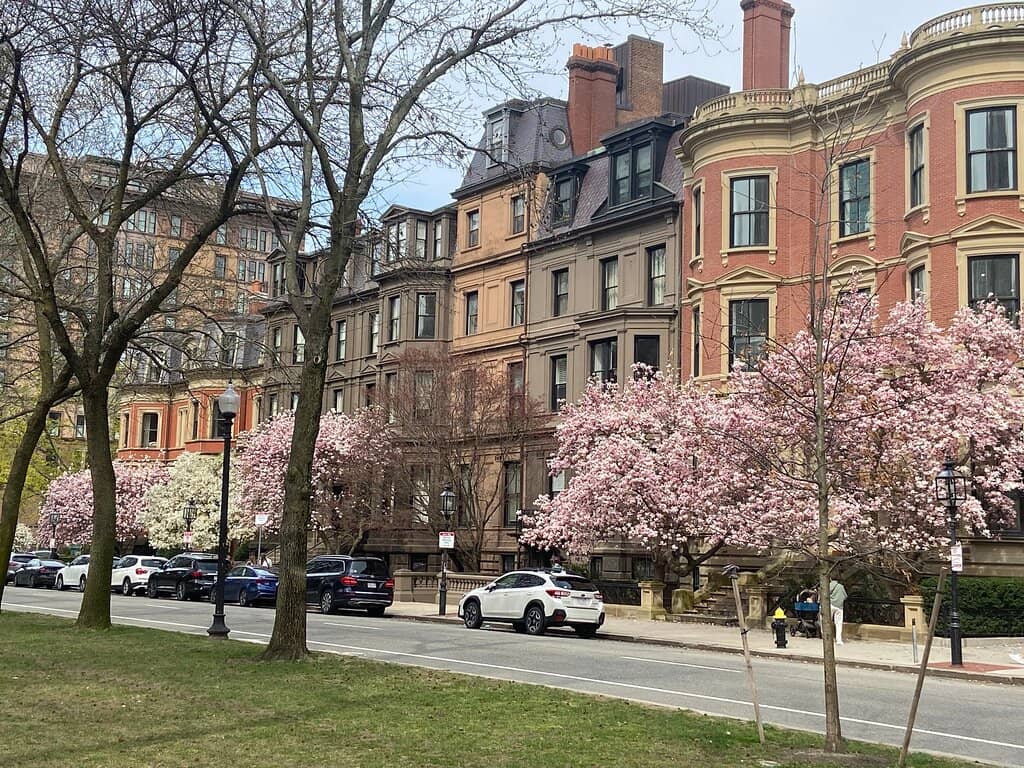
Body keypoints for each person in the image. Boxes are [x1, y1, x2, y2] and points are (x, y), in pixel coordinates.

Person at [830, 579, 848, 645]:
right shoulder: (841, 586)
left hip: (830, 605)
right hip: (839, 607)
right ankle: (839, 640)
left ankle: (827, 637)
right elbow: (845, 596)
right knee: (838, 624)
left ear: (830, 578)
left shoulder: (828, 585)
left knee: (827, 622)